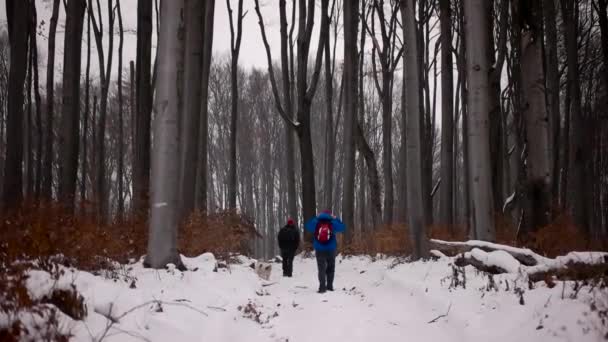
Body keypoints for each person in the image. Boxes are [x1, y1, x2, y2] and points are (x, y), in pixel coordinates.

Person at [305, 210, 345, 293]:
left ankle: (322, 287)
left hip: (319, 249)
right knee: (331, 268)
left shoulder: (316, 222)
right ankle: (329, 286)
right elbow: (342, 227)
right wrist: (336, 218)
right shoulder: (332, 222)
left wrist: (316, 217)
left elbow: (308, 226)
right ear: (330, 215)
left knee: (321, 268)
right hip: (331, 249)